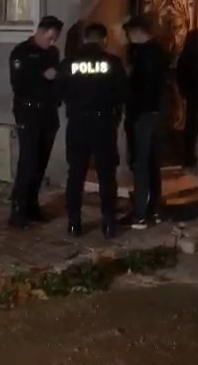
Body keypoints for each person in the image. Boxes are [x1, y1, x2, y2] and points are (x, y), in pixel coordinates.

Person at [57, 23, 127, 238]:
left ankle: (74, 223)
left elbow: (58, 93)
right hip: (103, 123)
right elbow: (122, 94)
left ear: (85, 39)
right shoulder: (113, 63)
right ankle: (108, 223)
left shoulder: (68, 63)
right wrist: (115, 118)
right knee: (106, 175)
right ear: (104, 40)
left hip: (78, 123)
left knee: (75, 174)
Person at [8, 15, 64, 230]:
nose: (52, 42)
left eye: (55, 38)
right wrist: (42, 76)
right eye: (50, 37)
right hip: (28, 112)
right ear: (40, 32)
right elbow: (18, 83)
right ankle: (18, 210)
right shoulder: (21, 52)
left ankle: (32, 206)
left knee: (41, 161)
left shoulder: (53, 53)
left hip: (48, 113)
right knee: (28, 161)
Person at [123, 15, 170, 230]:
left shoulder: (143, 55)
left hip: (142, 115)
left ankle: (140, 214)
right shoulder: (159, 51)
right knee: (151, 163)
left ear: (137, 32)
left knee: (140, 164)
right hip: (155, 113)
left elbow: (139, 88)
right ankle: (154, 210)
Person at [177, 27, 198, 170]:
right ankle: (190, 158)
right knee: (194, 124)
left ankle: (189, 158)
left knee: (192, 125)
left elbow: (182, 68)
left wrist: (184, 90)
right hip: (197, 89)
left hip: (193, 90)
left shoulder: (195, 36)